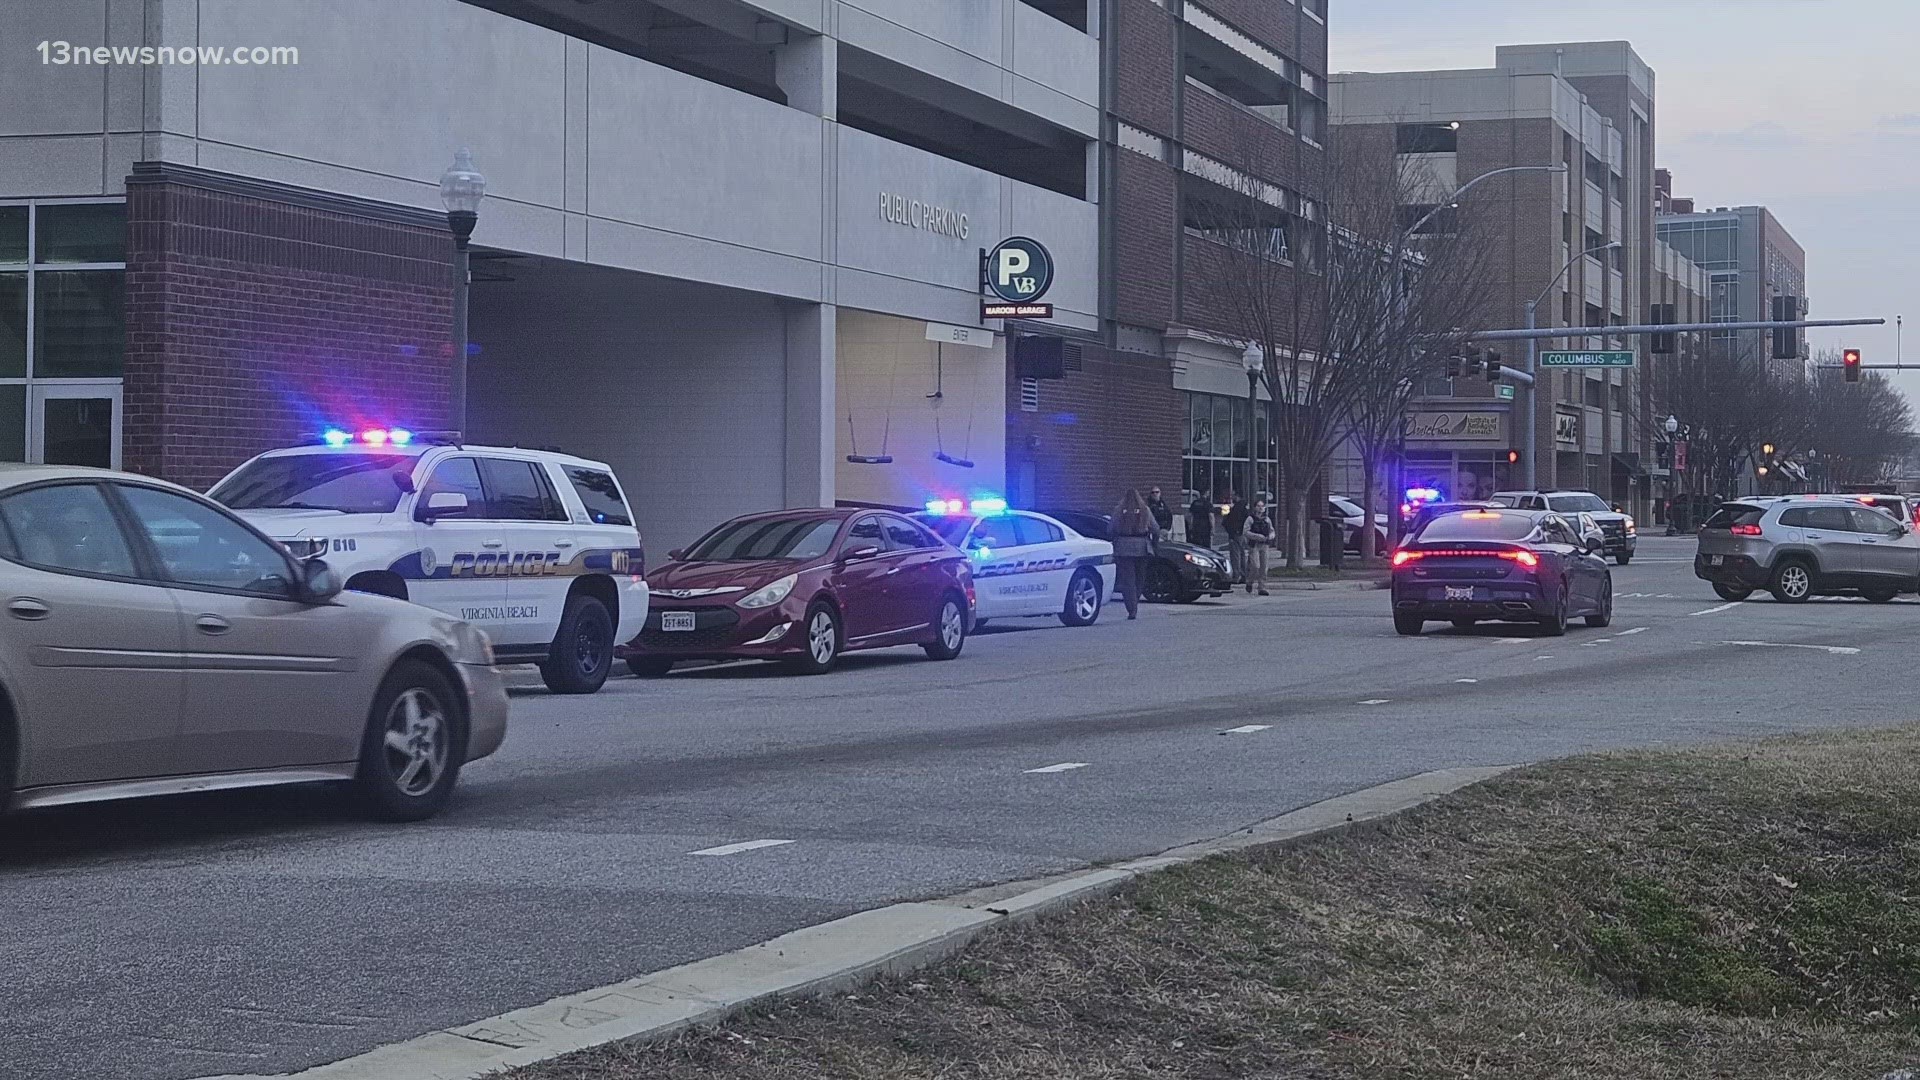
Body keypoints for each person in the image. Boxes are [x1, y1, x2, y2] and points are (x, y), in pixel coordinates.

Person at [1111, 488, 1160, 620]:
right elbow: (1155, 529)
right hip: (1142, 547)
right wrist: (1154, 545)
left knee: (1128, 580)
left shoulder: (1119, 511)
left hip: (1123, 547)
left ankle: (1131, 607)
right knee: (1140, 578)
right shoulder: (1145, 510)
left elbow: (1111, 528)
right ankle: (1135, 602)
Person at [1245, 498, 1273, 595]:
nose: (1261, 508)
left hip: (1265, 545)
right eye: (1258, 506)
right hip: (1254, 545)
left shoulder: (1267, 519)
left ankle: (1262, 587)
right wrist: (1257, 537)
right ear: (1255, 507)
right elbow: (1246, 532)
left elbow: (1272, 531)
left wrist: (1270, 536)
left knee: (1264, 567)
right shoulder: (1250, 519)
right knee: (1255, 566)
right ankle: (1249, 582)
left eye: (1262, 506)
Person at [1222, 491, 1249, 586]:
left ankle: (1236, 576)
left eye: (1233, 495)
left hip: (1235, 534)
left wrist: (1225, 511)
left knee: (1235, 556)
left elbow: (1227, 520)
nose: (1232, 497)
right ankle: (1244, 575)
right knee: (1242, 555)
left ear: (1237, 496)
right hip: (1242, 534)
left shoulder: (1236, 509)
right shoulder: (1244, 508)